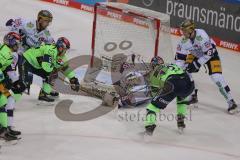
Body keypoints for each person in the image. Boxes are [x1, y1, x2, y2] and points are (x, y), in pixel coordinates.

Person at [175, 19, 238, 114]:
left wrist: (197, 63)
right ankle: (192, 95)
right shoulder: (183, 40)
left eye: (184, 31)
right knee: (184, 70)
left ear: (191, 30)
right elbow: (179, 58)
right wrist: (177, 69)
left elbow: (209, 54)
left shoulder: (202, 36)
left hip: (211, 55)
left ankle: (231, 101)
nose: (182, 33)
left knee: (216, 78)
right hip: (196, 54)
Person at [5, 10, 56, 97]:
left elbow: (52, 47)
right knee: (9, 68)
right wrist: (19, 36)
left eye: (49, 22)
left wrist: (45, 57)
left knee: (47, 71)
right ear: (40, 19)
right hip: (18, 51)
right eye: (46, 21)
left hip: (30, 56)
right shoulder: (27, 23)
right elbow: (9, 25)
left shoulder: (46, 34)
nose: (48, 24)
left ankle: (44, 89)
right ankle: (6, 86)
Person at [144, 58, 194, 135]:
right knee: (181, 98)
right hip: (189, 83)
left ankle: (149, 127)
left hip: (174, 83)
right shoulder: (172, 65)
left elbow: (154, 94)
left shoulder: (156, 71)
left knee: (152, 107)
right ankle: (180, 121)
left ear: (153, 65)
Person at [21, 37, 80, 103]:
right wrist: (54, 70)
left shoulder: (62, 56)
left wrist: (73, 79)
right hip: (27, 61)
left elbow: (65, 68)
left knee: (52, 74)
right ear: (60, 47)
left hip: (37, 65)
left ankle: (44, 93)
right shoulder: (51, 50)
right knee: (25, 83)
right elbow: (46, 67)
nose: (65, 51)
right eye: (65, 49)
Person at [0, 32, 25, 141]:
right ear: (11, 42)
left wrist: (16, 82)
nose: (17, 46)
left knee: (9, 98)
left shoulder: (8, 52)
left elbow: (7, 68)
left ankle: (7, 128)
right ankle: (3, 131)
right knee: (2, 102)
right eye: (16, 43)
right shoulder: (4, 52)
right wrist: (4, 81)